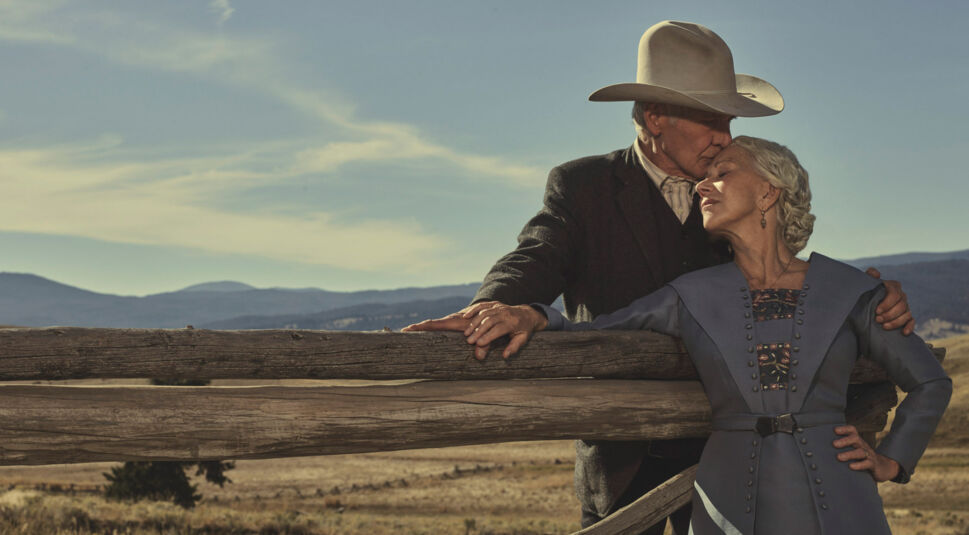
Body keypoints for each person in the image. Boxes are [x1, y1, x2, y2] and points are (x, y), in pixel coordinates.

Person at [404, 21, 915, 534]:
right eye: (710, 120)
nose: (725, 138)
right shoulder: (584, 186)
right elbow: (535, 256)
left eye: (729, 121)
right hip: (621, 452)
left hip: (733, 451)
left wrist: (870, 294)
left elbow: (784, 273)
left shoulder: (733, 193)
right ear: (655, 115)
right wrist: (500, 305)